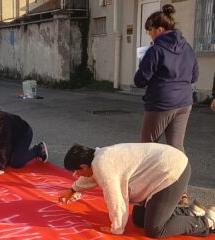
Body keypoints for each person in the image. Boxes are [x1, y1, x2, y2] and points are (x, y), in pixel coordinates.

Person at [59, 143, 214, 238]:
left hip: (172, 171)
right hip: (163, 169)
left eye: (75, 172)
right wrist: (73, 189)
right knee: (139, 220)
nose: (76, 175)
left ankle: (206, 222)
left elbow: (116, 199)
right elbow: (90, 177)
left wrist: (117, 228)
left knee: (155, 229)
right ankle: (191, 212)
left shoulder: (102, 166)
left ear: (83, 166)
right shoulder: (98, 157)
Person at [134, 4, 199, 153]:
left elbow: (140, 80)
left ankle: (150, 176)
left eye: (150, 30)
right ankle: (179, 176)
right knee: (176, 148)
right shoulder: (187, 47)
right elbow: (194, 76)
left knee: (147, 147)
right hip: (184, 102)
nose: (149, 34)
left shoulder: (155, 50)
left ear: (160, 29)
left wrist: (144, 61)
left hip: (161, 102)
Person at [0, 104, 48, 175]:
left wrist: (1, 168)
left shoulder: (1, 123)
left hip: (23, 134)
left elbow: (3, 146)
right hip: (11, 136)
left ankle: (39, 149)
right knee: (8, 162)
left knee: (16, 162)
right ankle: (19, 153)